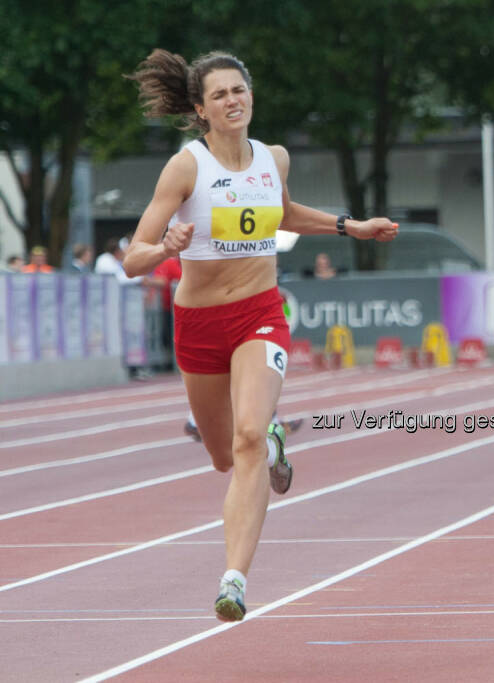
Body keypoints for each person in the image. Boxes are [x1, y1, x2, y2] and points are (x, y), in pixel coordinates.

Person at [122, 49, 398, 622]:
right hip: (199, 325)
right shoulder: (187, 167)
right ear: (201, 108)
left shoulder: (274, 158)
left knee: (245, 441)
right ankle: (272, 437)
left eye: (239, 90)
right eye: (220, 94)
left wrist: (351, 226)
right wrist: (164, 248)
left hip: (259, 315)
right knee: (225, 456)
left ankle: (234, 580)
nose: (233, 100)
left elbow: (283, 213)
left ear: (251, 95)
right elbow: (132, 258)